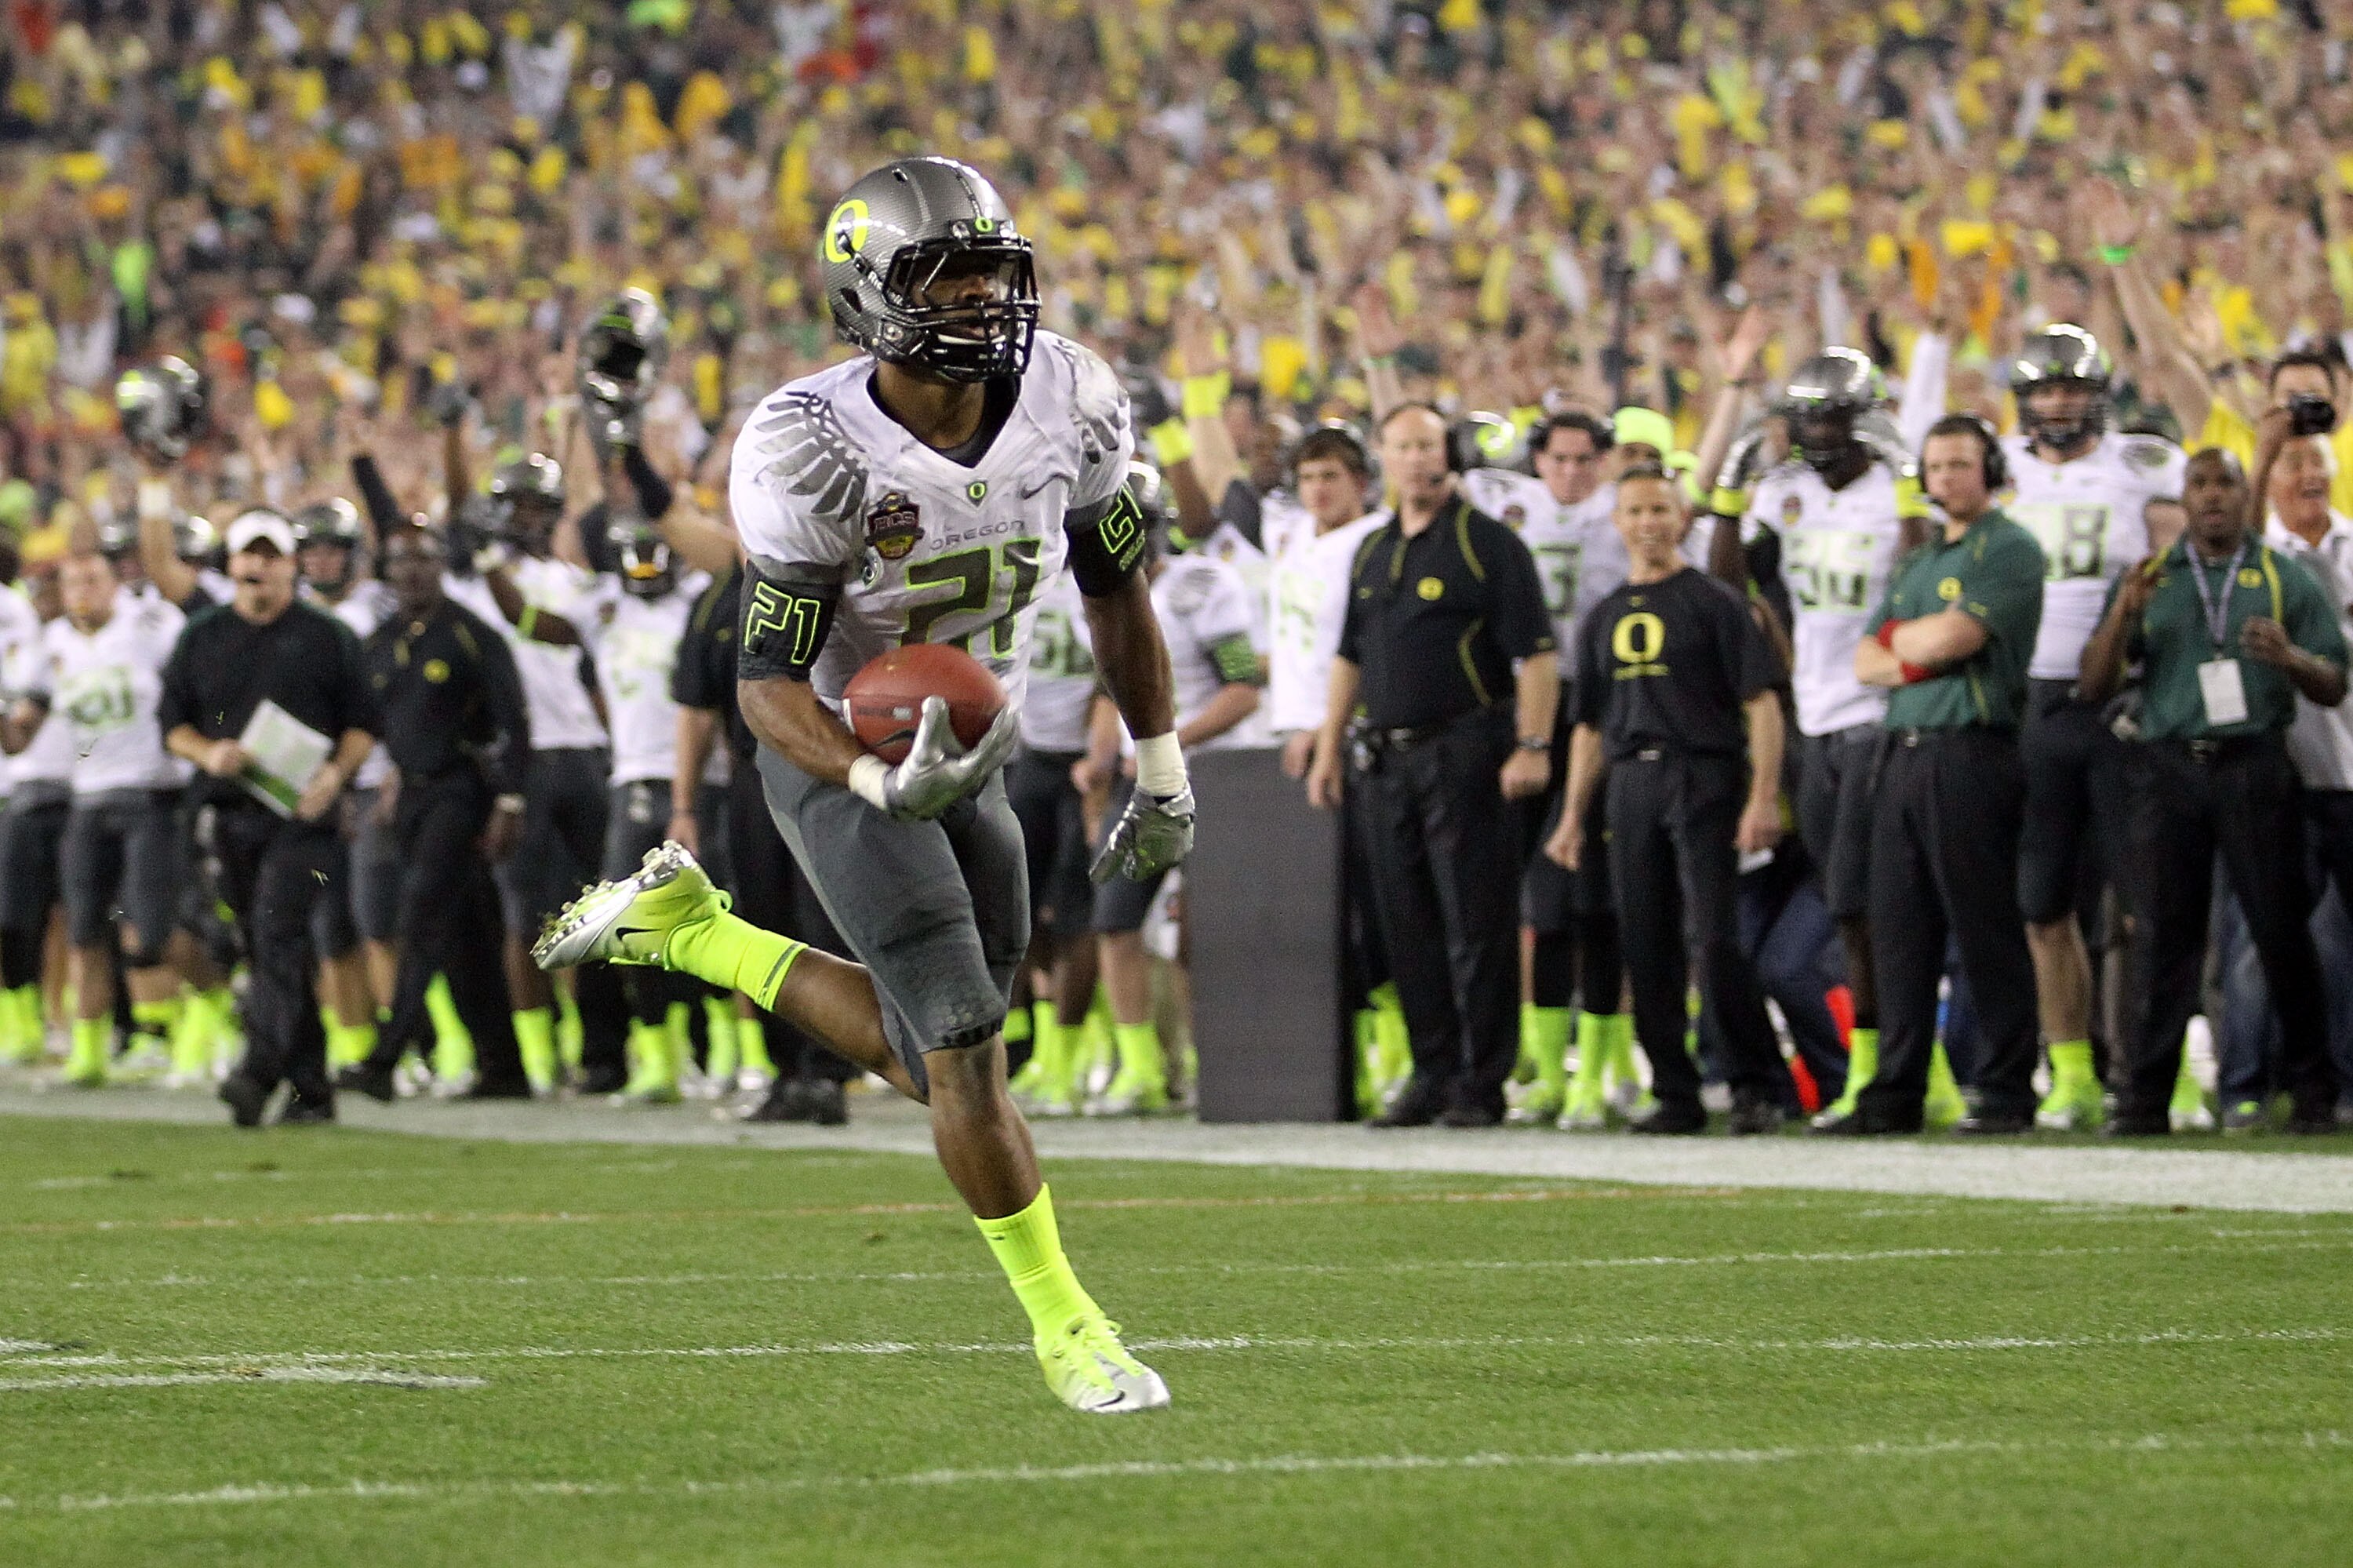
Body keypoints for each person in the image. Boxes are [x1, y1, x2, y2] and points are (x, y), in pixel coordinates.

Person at [534, 157, 1191, 1413]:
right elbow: (766, 684)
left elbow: (1118, 590)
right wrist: (878, 780)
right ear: (868, 296)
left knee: (959, 1038)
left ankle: (701, 936)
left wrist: (1160, 768)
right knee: (956, 1043)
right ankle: (1073, 1327)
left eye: (996, 269)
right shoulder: (810, 444)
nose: (982, 299)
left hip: (975, 737)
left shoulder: (1073, 395)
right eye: (945, 274)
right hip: (841, 740)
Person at [2078, 447, 2348, 1137]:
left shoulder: (2282, 577)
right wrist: (2120, 617)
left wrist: (2290, 658)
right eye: (2199, 484)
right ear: (2184, 498)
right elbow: (2094, 684)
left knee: (2278, 929)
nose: (2212, 495)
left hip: (2254, 763)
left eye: (2225, 481)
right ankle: (2144, 1098)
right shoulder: (2153, 579)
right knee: (2164, 935)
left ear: (2240, 493)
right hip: (2169, 767)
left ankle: (2313, 1090)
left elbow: (2334, 680)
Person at [1304, 402, 1558, 1128]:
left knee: (1476, 918)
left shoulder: (1486, 544)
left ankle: (1482, 1078)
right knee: (1405, 923)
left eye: (1428, 444)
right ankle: (1432, 1069)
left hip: (1466, 750)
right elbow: (1348, 655)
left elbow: (1536, 656)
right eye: (1403, 446)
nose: (1417, 458)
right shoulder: (1374, 551)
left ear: (1447, 451)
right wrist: (1329, 743)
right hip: (1387, 758)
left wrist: (1532, 745)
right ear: (1383, 456)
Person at [1546, 467, 1789, 1134]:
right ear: (1617, 523)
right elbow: (1589, 728)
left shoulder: (1715, 603)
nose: (1649, 523)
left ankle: (1755, 1084)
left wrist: (1761, 795)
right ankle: (1675, 1092)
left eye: (1660, 509)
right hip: (1630, 782)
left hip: (1704, 773)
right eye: (1635, 511)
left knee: (1714, 939)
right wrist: (1572, 815)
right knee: (1644, 940)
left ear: (1681, 518)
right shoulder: (1601, 617)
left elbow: (1762, 704)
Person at [1823, 416, 2048, 1136]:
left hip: (1970, 748)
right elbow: (1864, 658)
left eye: (1961, 464)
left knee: (1983, 924)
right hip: (1900, 750)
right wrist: (1918, 650)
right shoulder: (1920, 563)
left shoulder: (2009, 547)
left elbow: (1959, 636)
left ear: (1989, 468)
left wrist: (1910, 649)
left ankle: (2007, 1087)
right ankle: (1896, 1092)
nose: (1948, 477)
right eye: (1937, 466)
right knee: (1898, 929)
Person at [1740, 350, 1940, 1126]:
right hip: (1811, 718)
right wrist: (1730, 492)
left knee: (1868, 902)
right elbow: (1736, 580)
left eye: (1833, 416)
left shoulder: (1895, 490)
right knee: (1848, 904)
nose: (1819, 431)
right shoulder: (1783, 491)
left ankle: (1900, 1070)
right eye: (1810, 416)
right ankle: (1873, 1068)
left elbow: (1920, 571)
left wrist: (1909, 480)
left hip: (1874, 714)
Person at [2000, 326, 2188, 1131]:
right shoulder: (1997, 467)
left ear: (2099, 395)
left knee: (2144, 903)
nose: (2059, 404)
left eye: (2072, 390)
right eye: (2045, 391)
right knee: (2043, 903)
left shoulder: (2141, 465)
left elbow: (2186, 559)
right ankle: (2072, 1069)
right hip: (2031, 702)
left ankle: (2162, 1071)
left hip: (2120, 703)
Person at [158, 508, 380, 1126]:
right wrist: (209, 752)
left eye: (268, 555)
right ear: (231, 564)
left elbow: (365, 722)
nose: (256, 566)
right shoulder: (201, 635)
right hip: (229, 813)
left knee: (278, 933)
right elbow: (171, 724)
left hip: (304, 817)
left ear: (291, 564)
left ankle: (256, 1072)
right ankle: (311, 1086)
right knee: (263, 945)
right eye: (246, 555)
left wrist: (335, 777)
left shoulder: (327, 635)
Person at [1465, 411, 1635, 1129]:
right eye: (1558, 459)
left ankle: (1606, 1066)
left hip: (1604, 710)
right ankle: (1545, 1065)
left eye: (1583, 459)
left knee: (1596, 897)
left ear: (1603, 461)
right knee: (1538, 903)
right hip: (1526, 713)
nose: (1569, 472)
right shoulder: (1507, 508)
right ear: (1538, 461)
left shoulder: (1621, 513)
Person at [1078, 467, 1264, 1115]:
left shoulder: (1202, 585)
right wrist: (1099, 759)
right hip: (1138, 783)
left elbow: (1243, 687)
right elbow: (1108, 689)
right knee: (1114, 919)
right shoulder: (1091, 596)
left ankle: (1218, 1065)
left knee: (1205, 931)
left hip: (1214, 776)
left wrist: (1170, 742)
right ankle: (1142, 1071)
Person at [335, 524, 533, 1102]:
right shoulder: (378, 642)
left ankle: (386, 1056)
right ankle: (504, 1066)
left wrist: (510, 799)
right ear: (385, 570)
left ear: (442, 564)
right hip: (410, 796)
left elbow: (514, 722)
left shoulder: (470, 634)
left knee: (421, 914)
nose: (413, 570)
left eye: (423, 558)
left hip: (461, 790)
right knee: (465, 935)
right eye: (401, 560)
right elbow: (376, 724)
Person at [667, 562, 854, 1126]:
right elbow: (697, 711)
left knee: (824, 924)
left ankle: (830, 1070)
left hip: (831, 769)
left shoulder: (835, 574)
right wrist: (684, 805)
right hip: (754, 774)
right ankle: (787, 1070)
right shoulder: (719, 598)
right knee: (766, 921)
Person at [9, 552, 184, 1087]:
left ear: (117, 584)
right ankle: (89, 1049)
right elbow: (19, 737)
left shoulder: (151, 626)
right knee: (84, 929)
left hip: (152, 792)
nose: (82, 589)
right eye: (72, 580)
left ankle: (177, 1028)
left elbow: (194, 693)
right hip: (86, 798)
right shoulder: (53, 642)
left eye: (93, 578)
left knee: (149, 925)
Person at [1003, 556, 1104, 1118]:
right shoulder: (1021, 574)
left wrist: (1101, 754)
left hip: (1085, 763)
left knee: (1077, 916)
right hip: (1029, 758)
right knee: (1017, 908)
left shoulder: (1103, 585)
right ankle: (1043, 1045)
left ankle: (1067, 1053)